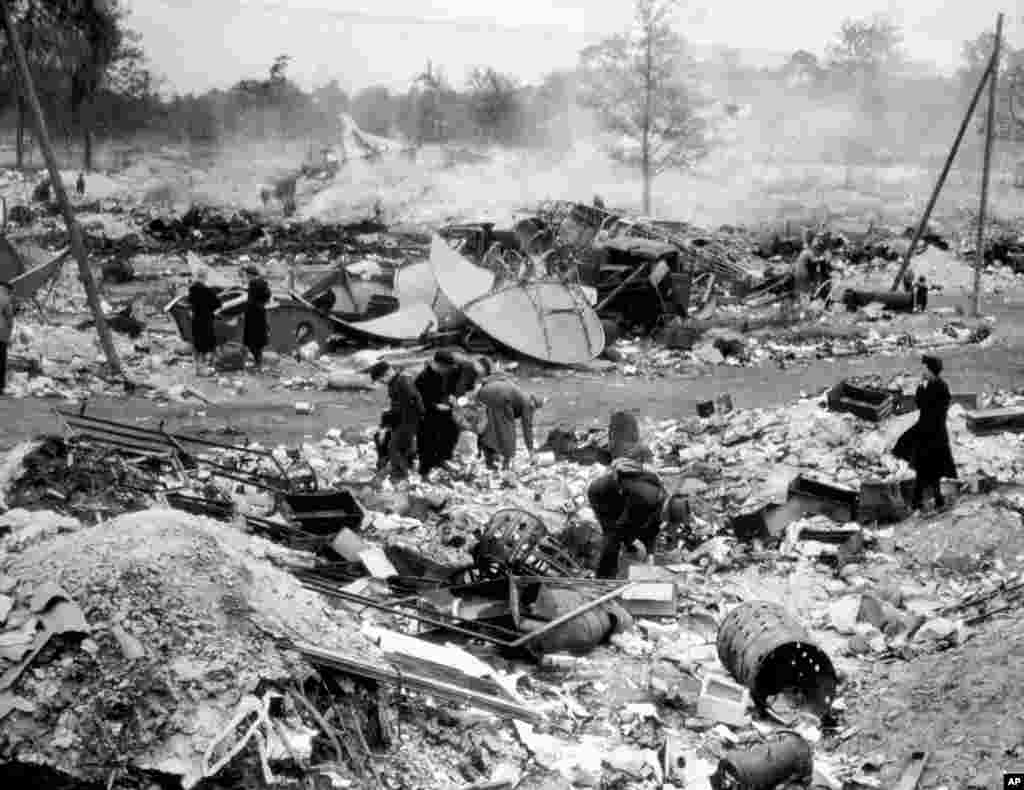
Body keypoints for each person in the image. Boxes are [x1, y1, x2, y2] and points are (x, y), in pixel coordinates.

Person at [587, 446, 691, 578]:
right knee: (613, 535)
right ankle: (604, 577)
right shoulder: (645, 499)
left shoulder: (659, 499)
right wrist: (632, 541)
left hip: (622, 496)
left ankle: (626, 560)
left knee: (634, 532)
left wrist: (650, 554)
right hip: (601, 494)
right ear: (668, 513)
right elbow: (622, 527)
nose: (667, 522)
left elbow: (653, 528)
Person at [893, 355, 957, 513]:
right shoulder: (935, 385)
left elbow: (925, 406)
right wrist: (922, 387)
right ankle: (930, 501)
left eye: (925, 369)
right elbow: (922, 404)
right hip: (929, 432)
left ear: (931, 370)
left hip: (933, 433)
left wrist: (921, 387)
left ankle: (921, 502)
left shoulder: (939, 387)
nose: (923, 371)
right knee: (927, 469)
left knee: (926, 468)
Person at [476, 366, 542, 471]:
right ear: (533, 403)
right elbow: (527, 428)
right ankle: (506, 466)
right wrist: (531, 452)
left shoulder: (519, 394)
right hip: (501, 395)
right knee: (509, 431)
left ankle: (489, 461)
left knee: (488, 427)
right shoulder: (528, 403)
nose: (532, 411)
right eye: (534, 409)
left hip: (483, 391)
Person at [368, 361, 423, 482]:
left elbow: (415, 405)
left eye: (380, 379)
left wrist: (411, 429)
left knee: (394, 447)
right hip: (401, 421)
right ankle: (388, 466)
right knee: (380, 437)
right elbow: (396, 408)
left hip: (410, 422)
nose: (381, 383)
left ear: (386, 374)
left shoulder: (404, 382)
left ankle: (400, 477)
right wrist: (385, 425)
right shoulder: (394, 383)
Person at [415, 350, 458, 477]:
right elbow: (418, 401)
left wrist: (449, 398)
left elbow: (442, 392)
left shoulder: (441, 375)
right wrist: (435, 406)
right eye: (447, 368)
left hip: (442, 413)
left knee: (451, 433)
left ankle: (440, 460)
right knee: (428, 443)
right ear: (439, 365)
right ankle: (424, 472)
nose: (448, 370)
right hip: (426, 416)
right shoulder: (423, 377)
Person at [188, 268, 219, 375]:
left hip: (196, 319)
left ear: (197, 276)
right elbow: (217, 304)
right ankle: (206, 367)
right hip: (206, 319)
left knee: (198, 342)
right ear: (205, 277)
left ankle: (198, 366)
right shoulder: (207, 290)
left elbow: (190, 302)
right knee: (207, 342)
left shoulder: (192, 289)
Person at [241, 265, 271, 370]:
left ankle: (257, 363)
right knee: (259, 339)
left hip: (253, 315)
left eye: (246, 275)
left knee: (252, 340)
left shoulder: (253, 283)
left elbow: (250, 301)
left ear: (250, 275)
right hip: (261, 313)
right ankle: (258, 362)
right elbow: (268, 296)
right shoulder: (263, 283)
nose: (246, 277)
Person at [0, 281, 13, 396]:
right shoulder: (5, 298)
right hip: (1, 335)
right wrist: (9, 334)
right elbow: (9, 318)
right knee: (1, 360)